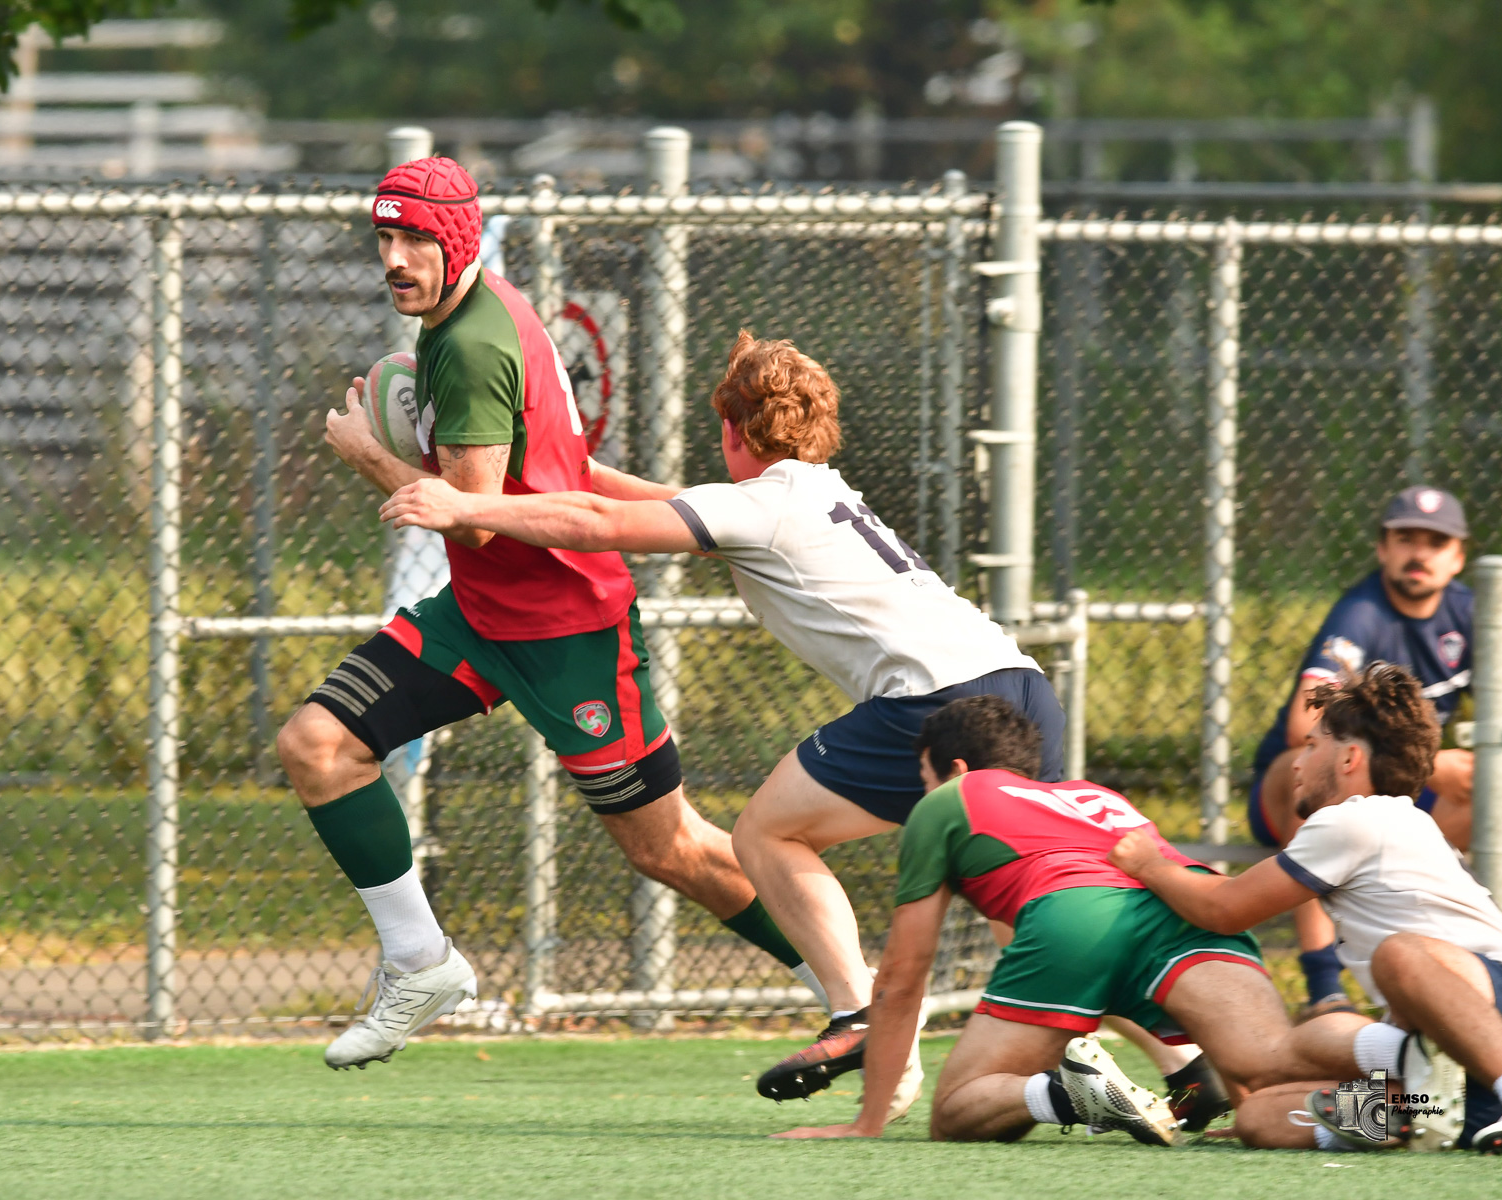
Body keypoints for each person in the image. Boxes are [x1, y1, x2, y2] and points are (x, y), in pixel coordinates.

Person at [381, 337, 1222, 1125]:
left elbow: (606, 528)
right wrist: (580, 469)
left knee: (766, 833)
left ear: (733, 429)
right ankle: (1189, 1058)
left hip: (933, 702)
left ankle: (857, 1012)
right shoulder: (819, 490)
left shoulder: (764, 506)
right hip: (1019, 684)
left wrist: (468, 502)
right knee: (1025, 902)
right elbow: (662, 507)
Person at [282, 157, 810, 1071]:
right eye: (385, 238)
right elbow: (563, 471)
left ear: (457, 242)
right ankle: (420, 963)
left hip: (569, 629)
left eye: (415, 239)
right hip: (480, 620)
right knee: (319, 747)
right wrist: (694, 511)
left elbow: (473, 520)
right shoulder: (487, 313)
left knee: (672, 849)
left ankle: (852, 988)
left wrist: (367, 452)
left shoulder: (476, 346)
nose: (396, 259)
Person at [770, 696, 1342, 1146]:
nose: (923, 793)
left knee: (957, 1112)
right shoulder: (1094, 794)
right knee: (1264, 1100)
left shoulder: (952, 798)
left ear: (957, 769)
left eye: (925, 778)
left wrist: (868, 1121)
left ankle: (1070, 1093)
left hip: (1075, 914)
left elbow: (903, 972)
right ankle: (1413, 1105)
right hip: (1191, 908)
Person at [1111, 661, 1502, 1154]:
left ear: (1348, 758)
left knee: (1399, 956)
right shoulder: (1395, 821)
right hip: (1459, 1071)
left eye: (1311, 745)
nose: (1298, 764)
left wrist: (1149, 863)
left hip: (1499, 1008)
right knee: (1260, 1115)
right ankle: (1416, 1115)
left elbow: (1224, 908)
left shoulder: (1357, 820)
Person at [1247, 487, 1475, 1019]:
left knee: (1489, 784)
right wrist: (1429, 762)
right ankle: (1324, 987)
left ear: (1457, 556)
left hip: (1403, 794)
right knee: (1313, 771)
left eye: (1436, 542)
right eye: (1405, 539)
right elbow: (1304, 727)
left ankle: (1419, 957)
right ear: (1382, 548)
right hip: (1306, 787)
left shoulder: (1473, 613)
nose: (1419, 553)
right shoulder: (1359, 614)